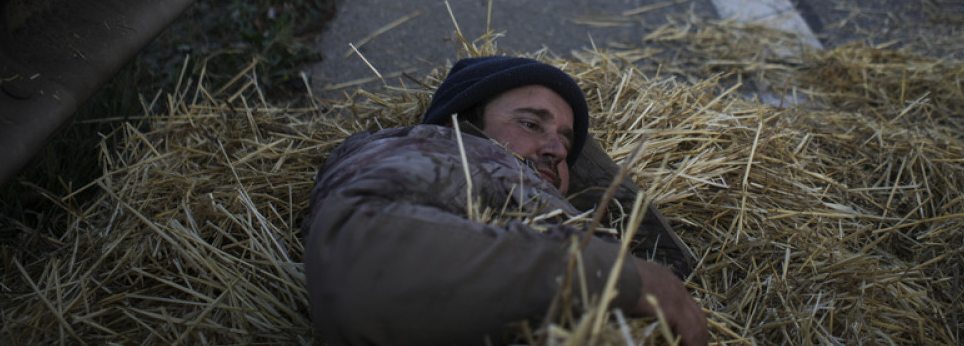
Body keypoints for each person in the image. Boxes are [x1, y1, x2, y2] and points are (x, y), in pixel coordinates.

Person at [304, 56, 709, 346]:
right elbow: (364, 264)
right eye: (531, 124)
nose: (556, 150)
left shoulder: (511, 183)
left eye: (568, 145)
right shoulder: (441, 152)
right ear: (457, 123)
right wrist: (614, 279)